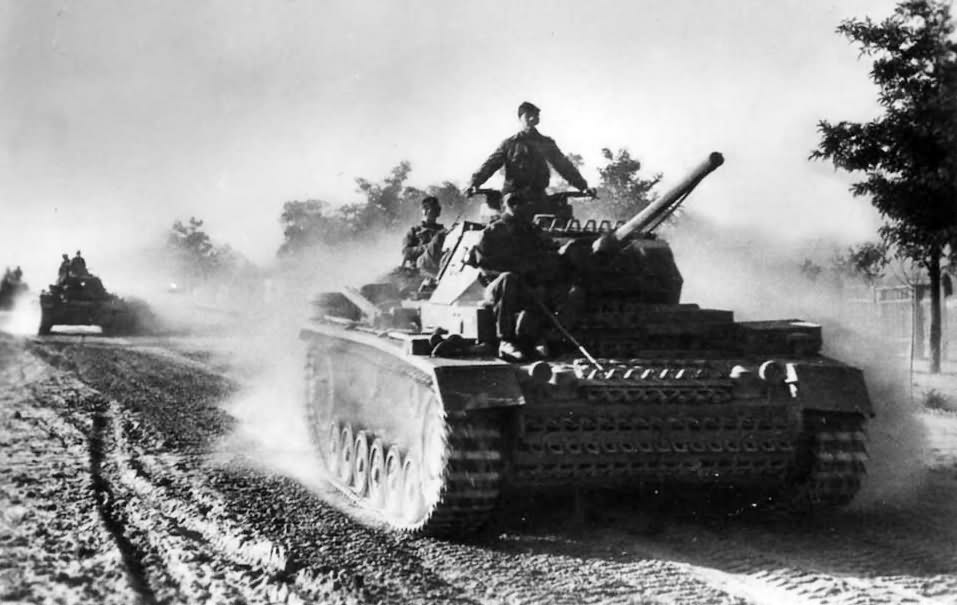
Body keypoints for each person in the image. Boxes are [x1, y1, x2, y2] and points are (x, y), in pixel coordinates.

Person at [472, 190, 583, 362]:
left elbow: (548, 258)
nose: (517, 206)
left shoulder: (533, 232)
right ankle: (506, 340)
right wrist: (517, 277)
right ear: (505, 206)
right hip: (497, 289)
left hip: (528, 288)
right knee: (509, 279)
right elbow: (484, 269)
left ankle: (545, 338)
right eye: (512, 202)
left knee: (562, 289)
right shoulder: (492, 232)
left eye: (520, 203)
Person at [467, 101, 595, 216]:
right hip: (513, 198)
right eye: (528, 116)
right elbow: (490, 165)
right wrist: (474, 183)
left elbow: (564, 166)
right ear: (520, 119)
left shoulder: (545, 143)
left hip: (538, 197)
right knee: (512, 226)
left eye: (535, 116)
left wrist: (583, 187)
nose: (532, 119)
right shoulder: (510, 144)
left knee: (558, 219)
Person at [401, 196, 447, 276]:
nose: (435, 212)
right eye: (432, 209)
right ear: (425, 211)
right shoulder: (415, 230)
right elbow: (406, 251)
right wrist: (427, 247)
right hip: (420, 267)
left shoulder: (443, 230)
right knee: (439, 237)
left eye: (437, 209)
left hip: (440, 266)